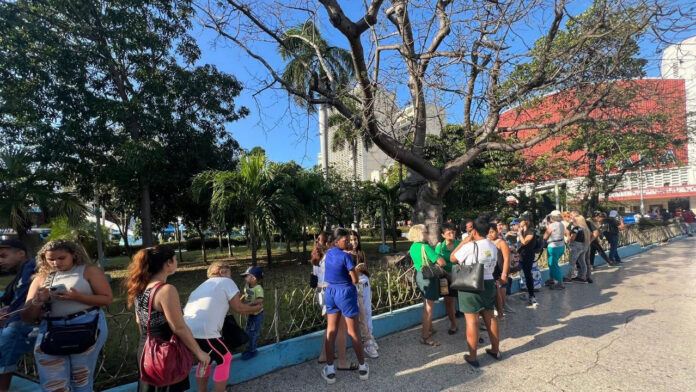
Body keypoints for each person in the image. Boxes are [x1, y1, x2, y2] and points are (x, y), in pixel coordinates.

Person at [21, 240, 112, 392]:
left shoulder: (88, 270)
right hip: (51, 331)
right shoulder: (41, 279)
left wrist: (77, 297)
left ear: (74, 255)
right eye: (50, 259)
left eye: (62, 258)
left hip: (85, 325)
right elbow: (26, 316)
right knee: (53, 385)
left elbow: (107, 299)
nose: (56, 263)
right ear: (44, 259)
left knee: (81, 381)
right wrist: (38, 301)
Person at [123, 246, 210, 392]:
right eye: (175, 259)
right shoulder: (166, 290)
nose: (177, 262)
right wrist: (199, 352)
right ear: (168, 263)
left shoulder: (140, 287)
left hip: (146, 349)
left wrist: (149, 346)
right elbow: (178, 327)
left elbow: (140, 321)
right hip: (166, 352)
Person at [183, 262, 261, 392]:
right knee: (225, 359)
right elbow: (239, 308)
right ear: (222, 272)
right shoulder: (226, 282)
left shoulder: (202, 286)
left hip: (188, 330)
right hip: (205, 331)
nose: (230, 276)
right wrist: (256, 308)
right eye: (229, 272)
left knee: (205, 360)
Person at [451, 217, 503, 368]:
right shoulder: (493, 246)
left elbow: (452, 257)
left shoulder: (470, 246)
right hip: (488, 283)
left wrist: (464, 241)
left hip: (471, 285)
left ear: (473, 230)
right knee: (490, 317)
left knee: (472, 320)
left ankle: (473, 357)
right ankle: (495, 350)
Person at [321, 228, 368, 384]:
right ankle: (362, 368)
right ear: (336, 241)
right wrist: (355, 272)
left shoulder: (328, 254)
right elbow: (354, 279)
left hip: (330, 292)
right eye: (345, 240)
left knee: (331, 330)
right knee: (353, 331)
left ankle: (330, 370)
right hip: (345, 293)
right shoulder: (345, 257)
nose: (348, 242)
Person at [0, 240, 37, 392]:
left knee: (6, 344)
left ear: (20, 253)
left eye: (3, 256)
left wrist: (9, 312)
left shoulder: (31, 266)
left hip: (24, 321)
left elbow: (26, 299)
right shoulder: (19, 274)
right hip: (15, 319)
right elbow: (9, 299)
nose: (0, 261)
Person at [312, 233, 352, 369]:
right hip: (334, 292)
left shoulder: (317, 258)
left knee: (330, 326)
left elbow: (314, 281)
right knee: (341, 328)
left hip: (321, 295)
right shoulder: (332, 256)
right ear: (330, 243)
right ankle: (342, 362)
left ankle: (324, 354)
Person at [408, 224, 443, 347]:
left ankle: (430, 328)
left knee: (426, 305)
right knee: (428, 309)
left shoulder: (413, 247)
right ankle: (425, 336)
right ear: (420, 234)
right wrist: (438, 248)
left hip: (420, 276)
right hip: (429, 278)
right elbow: (441, 262)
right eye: (425, 232)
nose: (427, 233)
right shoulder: (425, 247)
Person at [354, 262, 378, 358]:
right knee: (360, 314)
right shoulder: (343, 253)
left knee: (367, 310)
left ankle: (369, 336)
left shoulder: (358, 252)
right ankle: (366, 340)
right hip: (353, 281)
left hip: (363, 279)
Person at [241, 266, 264, 360]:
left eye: (247, 276)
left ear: (253, 278)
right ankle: (249, 348)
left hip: (257, 315)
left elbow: (260, 300)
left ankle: (253, 350)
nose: (245, 278)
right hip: (250, 313)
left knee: (253, 333)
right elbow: (246, 294)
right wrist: (240, 300)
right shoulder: (247, 286)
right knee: (248, 331)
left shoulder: (258, 288)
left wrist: (250, 304)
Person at [487, 225, 510, 319]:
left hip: (499, 270)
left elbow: (507, 258)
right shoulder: (486, 243)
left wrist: (504, 274)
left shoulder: (501, 242)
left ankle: (501, 311)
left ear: (497, 231)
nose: (490, 234)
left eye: (492, 232)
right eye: (488, 232)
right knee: (494, 292)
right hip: (491, 270)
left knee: (499, 292)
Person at [517, 218, 539, 306]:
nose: (519, 223)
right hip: (521, 255)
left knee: (527, 274)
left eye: (520, 221)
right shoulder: (523, 230)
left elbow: (524, 242)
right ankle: (528, 293)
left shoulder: (531, 231)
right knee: (519, 271)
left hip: (528, 256)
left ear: (525, 221)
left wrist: (519, 233)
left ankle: (532, 295)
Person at [543, 212, 566, 289]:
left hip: (553, 247)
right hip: (561, 246)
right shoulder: (561, 224)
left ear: (552, 218)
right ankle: (552, 279)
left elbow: (545, 236)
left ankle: (560, 283)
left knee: (553, 264)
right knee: (552, 263)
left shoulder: (552, 225)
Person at [568, 215, 592, 283]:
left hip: (576, 246)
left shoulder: (576, 228)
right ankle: (583, 276)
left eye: (574, 220)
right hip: (584, 246)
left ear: (577, 221)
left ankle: (569, 276)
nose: (572, 222)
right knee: (582, 262)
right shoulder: (586, 228)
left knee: (572, 262)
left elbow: (573, 237)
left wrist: (569, 239)